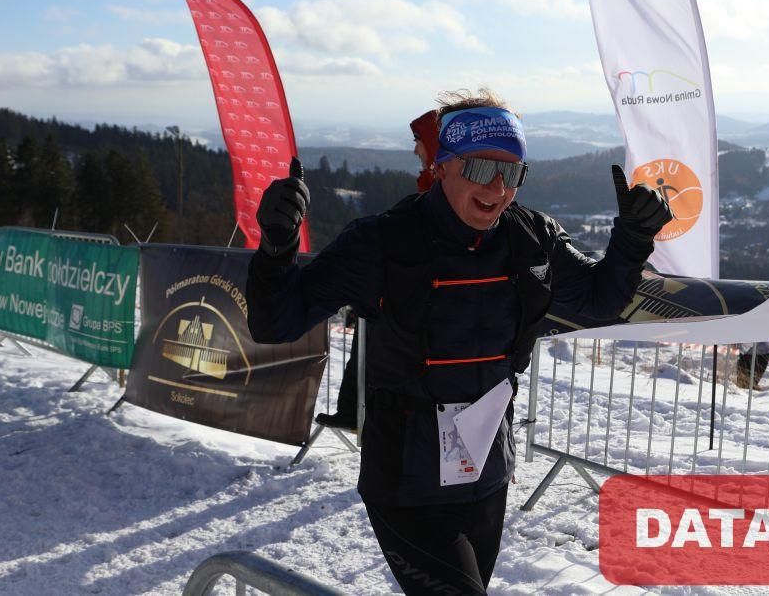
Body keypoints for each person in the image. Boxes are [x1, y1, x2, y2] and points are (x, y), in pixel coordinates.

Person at [246, 88, 671, 595]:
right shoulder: (380, 243)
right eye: (480, 167)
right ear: (442, 165)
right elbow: (275, 323)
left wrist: (633, 237)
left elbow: (599, 299)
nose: (497, 186)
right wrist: (277, 247)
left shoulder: (532, 238)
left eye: (512, 172)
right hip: (406, 483)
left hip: (486, 475)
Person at [316, 109, 440, 430]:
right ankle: (353, 410)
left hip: (418, 311)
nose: (414, 150)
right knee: (368, 337)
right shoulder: (430, 190)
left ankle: (360, 411)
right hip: (402, 301)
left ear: (434, 144)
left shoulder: (442, 194)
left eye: (418, 141)